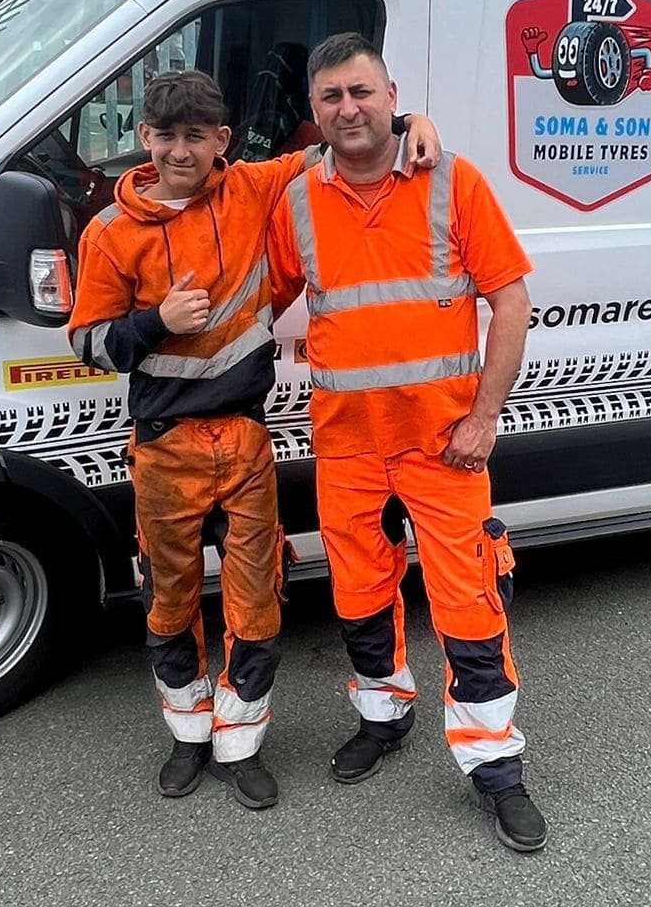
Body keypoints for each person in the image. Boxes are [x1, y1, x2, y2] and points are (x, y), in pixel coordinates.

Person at [67, 68, 439, 811]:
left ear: (222, 142)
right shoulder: (108, 233)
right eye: (166, 136)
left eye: (196, 137)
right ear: (144, 138)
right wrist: (155, 323)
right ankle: (187, 735)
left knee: (256, 599)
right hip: (164, 444)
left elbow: (338, 135)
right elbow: (89, 345)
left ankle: (240, 742)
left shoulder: (251, 188)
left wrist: (410, 123)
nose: (180, 151)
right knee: (166, 600)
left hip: (243, 440)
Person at [266, 33, 547, 855]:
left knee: (468, 605)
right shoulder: (294, 199)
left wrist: (483, 418)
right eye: (330, 98)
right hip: (347, 445)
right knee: (357, 594)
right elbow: (257, 294)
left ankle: (495, 768)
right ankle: (384, 717)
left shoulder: (451, 181)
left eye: (361, 92)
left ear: (392, 94)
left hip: (443, 444)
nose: (347, 109)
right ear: (312, 113)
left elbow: (512, 300)